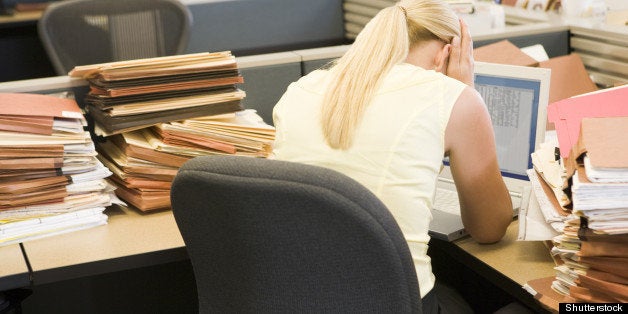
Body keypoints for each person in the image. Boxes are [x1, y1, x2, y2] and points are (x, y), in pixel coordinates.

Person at [271, 0, 513, 312]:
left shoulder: (301, 88)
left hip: (295, 297)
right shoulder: (452, 98)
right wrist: (461, 90)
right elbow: (489, 229)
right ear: (447, 53)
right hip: (394, 302)